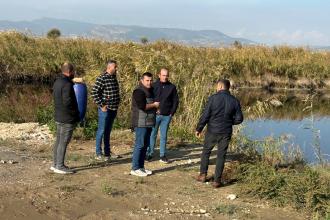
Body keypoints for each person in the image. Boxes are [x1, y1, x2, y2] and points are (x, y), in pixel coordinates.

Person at [195, 79, 243, 188]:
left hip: (212, 130)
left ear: (221, 86)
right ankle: (217, 181)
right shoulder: (234, 101)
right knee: (221, 155)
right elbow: (240, 119)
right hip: (226, 132)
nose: (216, 88)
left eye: (217, 86)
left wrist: (199, 128)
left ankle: (203, 175)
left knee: (206, 152)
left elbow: (205, 115)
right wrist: (230, 122)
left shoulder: (213, 98)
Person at [51, 62, 80, 174]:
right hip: (67, 118)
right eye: (73, 72)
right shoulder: (67, 85)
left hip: (58, 116)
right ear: (69, 72)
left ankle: (55, 164)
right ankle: (60, 166)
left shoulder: (58, 82)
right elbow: (68, 102)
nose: (74, 74)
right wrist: (76, 114)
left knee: (58, 141)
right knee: (63, 142)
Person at [146, 68, 179, 163]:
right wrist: (153, 110)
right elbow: (149, 99)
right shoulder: (153, 85)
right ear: (159, 75)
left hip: (166, 116)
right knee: (152, 134)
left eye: (166, 75)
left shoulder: (172, 87)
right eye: (163, 75)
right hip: (154, 115)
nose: (165, 77)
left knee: (164, 136)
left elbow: (175, 101)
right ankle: (150, 154)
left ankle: (162, 155)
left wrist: (171, 113)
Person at [131, 72, 159, 177]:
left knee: (145, 145)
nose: (149, 82)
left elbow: (152, 105)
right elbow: (142, 106)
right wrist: (155, 105)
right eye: (147, 80)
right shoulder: (138, 91)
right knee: (140, 145)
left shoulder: (151, 90)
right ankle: (134, 168)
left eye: (151, 80)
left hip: (149, 122)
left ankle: (141, 167)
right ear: (142, 80)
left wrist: (156, 109)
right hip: (140, 122)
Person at [91, 60, 121, 161]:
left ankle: (107, 152)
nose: (116, 69)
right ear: (109, 67)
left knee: (108, 131)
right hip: (105, 110)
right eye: (115, 67)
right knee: (102, 130)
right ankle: (98, 153)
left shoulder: (113, 78)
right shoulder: (102, 78)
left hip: (113, 109)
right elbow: (94, 92)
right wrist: (102, 105)